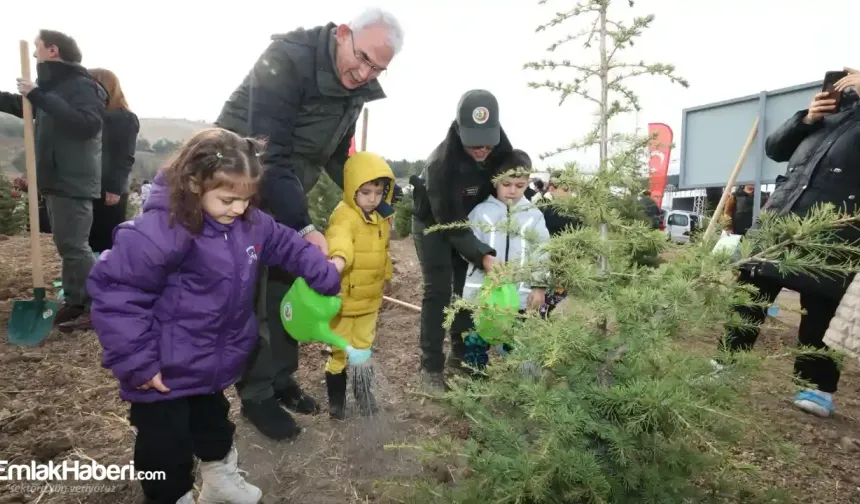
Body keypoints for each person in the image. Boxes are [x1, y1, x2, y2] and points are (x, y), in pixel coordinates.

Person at [86, 128, 342, 504]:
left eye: (246, 199)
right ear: (192, 182)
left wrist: (324, 273)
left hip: (211, 361)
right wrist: (136, 362)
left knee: (214, 424)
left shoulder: (249, 223)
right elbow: (117, 292)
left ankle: (220, 480)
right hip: (162, 370)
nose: (238, 209)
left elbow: (287, 245)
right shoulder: (163, 229)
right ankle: (172, 497)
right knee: (165, 445)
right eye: (227, 199)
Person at [214, 8, 404, 440]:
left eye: (378, 68)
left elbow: (339, 155)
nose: (365, 72)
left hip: (289, 182)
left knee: (286, 289)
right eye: (362, 58)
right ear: (342, 34)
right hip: (238, 180)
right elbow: (267, 154)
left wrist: (376, 196)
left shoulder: (358, 86)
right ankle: (257, 395)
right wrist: (302, 227)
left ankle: (281, 378)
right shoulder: (287, 59)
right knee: (255, 292)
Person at [716, 70, 860, 418]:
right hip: (780, 219)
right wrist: (808, 117)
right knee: (750, 294)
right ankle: (726, 363)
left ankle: (817, 386)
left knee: (819, 308)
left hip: (833, 229)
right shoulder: (828, 115)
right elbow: (775, 148)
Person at [0, 30, 107, 329]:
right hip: (56, 177)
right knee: (67, 245)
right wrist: (33, 97)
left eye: (37, 49)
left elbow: (87, 124)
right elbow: (27, 107)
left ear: (52, 51)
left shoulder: (83, 86)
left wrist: (37, 95)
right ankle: (76, 300)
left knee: (75, 245)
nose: (33, 55)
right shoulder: (53, 90)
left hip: (72, 178)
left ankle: (99, 304)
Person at [410, 89, 514, 391]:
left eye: (487, 142)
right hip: (436, 225)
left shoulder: (500, 146)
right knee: (439, 291)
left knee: (466, 288)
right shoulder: (440, 166)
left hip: (468, 221)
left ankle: (462, 354)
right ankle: (430, 367)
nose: (483, 149)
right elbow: (450, 225)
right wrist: (483, 255)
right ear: (459, 129)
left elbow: (511, 181)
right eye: (474, 143)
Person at [459, 150, 550, 369]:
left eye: (519, 186)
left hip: (518, 298)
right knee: (475, 344)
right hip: (482, 297)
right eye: (506, 184)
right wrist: (483, 258)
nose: (512, 191)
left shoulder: (534, 215)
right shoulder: (480, 213)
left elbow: (542, 251)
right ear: (495, 181)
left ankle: (525, 389)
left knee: (521, 347)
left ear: (527, 182)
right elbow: (466, 247)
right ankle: (475, 385)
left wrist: (538, 286)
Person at [323, 151, 395, 419]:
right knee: (340, 349)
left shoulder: (382, 217)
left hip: (370, 299)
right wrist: (338, 261)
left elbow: (384, 251)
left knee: (363, 347)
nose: (372, 199)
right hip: (344, 299)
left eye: (378, 192)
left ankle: (363, 392)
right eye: (365, 192)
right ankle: (336, 400)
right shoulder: (344, 216)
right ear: (352, 188)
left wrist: (386, 277)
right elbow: (339, 241)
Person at [88, 69, 139, 252]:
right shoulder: (94, 117)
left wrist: (114, 188)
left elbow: (124, 155)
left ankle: (103, 276)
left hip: (109, 191)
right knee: (90, 239)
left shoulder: (123, 118)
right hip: (91, 186)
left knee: (105, 240)